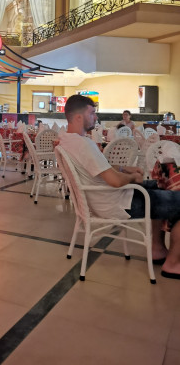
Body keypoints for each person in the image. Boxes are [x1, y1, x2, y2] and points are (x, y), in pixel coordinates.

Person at [59, 94, 180, 280]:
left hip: (106, 198)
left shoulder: (67, 140)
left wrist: (125, 169)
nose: (96, 117)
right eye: (92, 113)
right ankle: (173, 263)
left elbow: (102, 167)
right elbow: (115, 181)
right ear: (78, 117)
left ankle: (157, 249)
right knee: (175, 197)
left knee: (160, 186)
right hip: (119, 202)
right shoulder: (83, 144)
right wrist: (133, 178)